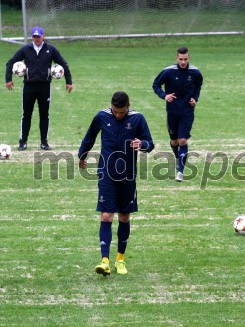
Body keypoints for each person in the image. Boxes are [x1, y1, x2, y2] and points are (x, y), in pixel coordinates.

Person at [78, 91, 155, 276]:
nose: (118, 115)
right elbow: (89, 137)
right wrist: (82, 155)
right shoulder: (102, 116)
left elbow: (150, 143)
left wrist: (141, 144)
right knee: (106, 216)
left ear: (129, 105)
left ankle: (120, 259)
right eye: (115, 111)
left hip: (128, 176)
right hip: (106, 173)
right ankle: (104, 261)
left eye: (122, 112)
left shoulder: (138, 119)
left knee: (124, 217)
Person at [5, 26, 73, 151]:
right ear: (32, 37)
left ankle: (44, 142)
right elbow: (11, 62)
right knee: (26, 115)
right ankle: (23, 142)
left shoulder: (51, 49)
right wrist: (8, 79)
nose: (36, 38)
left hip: (44, 87)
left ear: (43, 36)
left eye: (38, 36)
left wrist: (69, 82)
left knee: (44, 115)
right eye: (34, 36)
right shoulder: (26, 49)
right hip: (29, 87)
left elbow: (64, 64)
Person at [152, 47, 203, 182]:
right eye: (181, 59)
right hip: (173, 111)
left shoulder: (195, 72)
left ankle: (180, 171)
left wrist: (195, 98)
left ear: (189, 58)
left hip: (187, 111)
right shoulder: (168, 71)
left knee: (182, 140)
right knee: (174, 141)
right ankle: (178, 157)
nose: (183, 62)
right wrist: (164, 96)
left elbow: (198, 85)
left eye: (185, 59)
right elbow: (156, 85)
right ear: (176, 58)